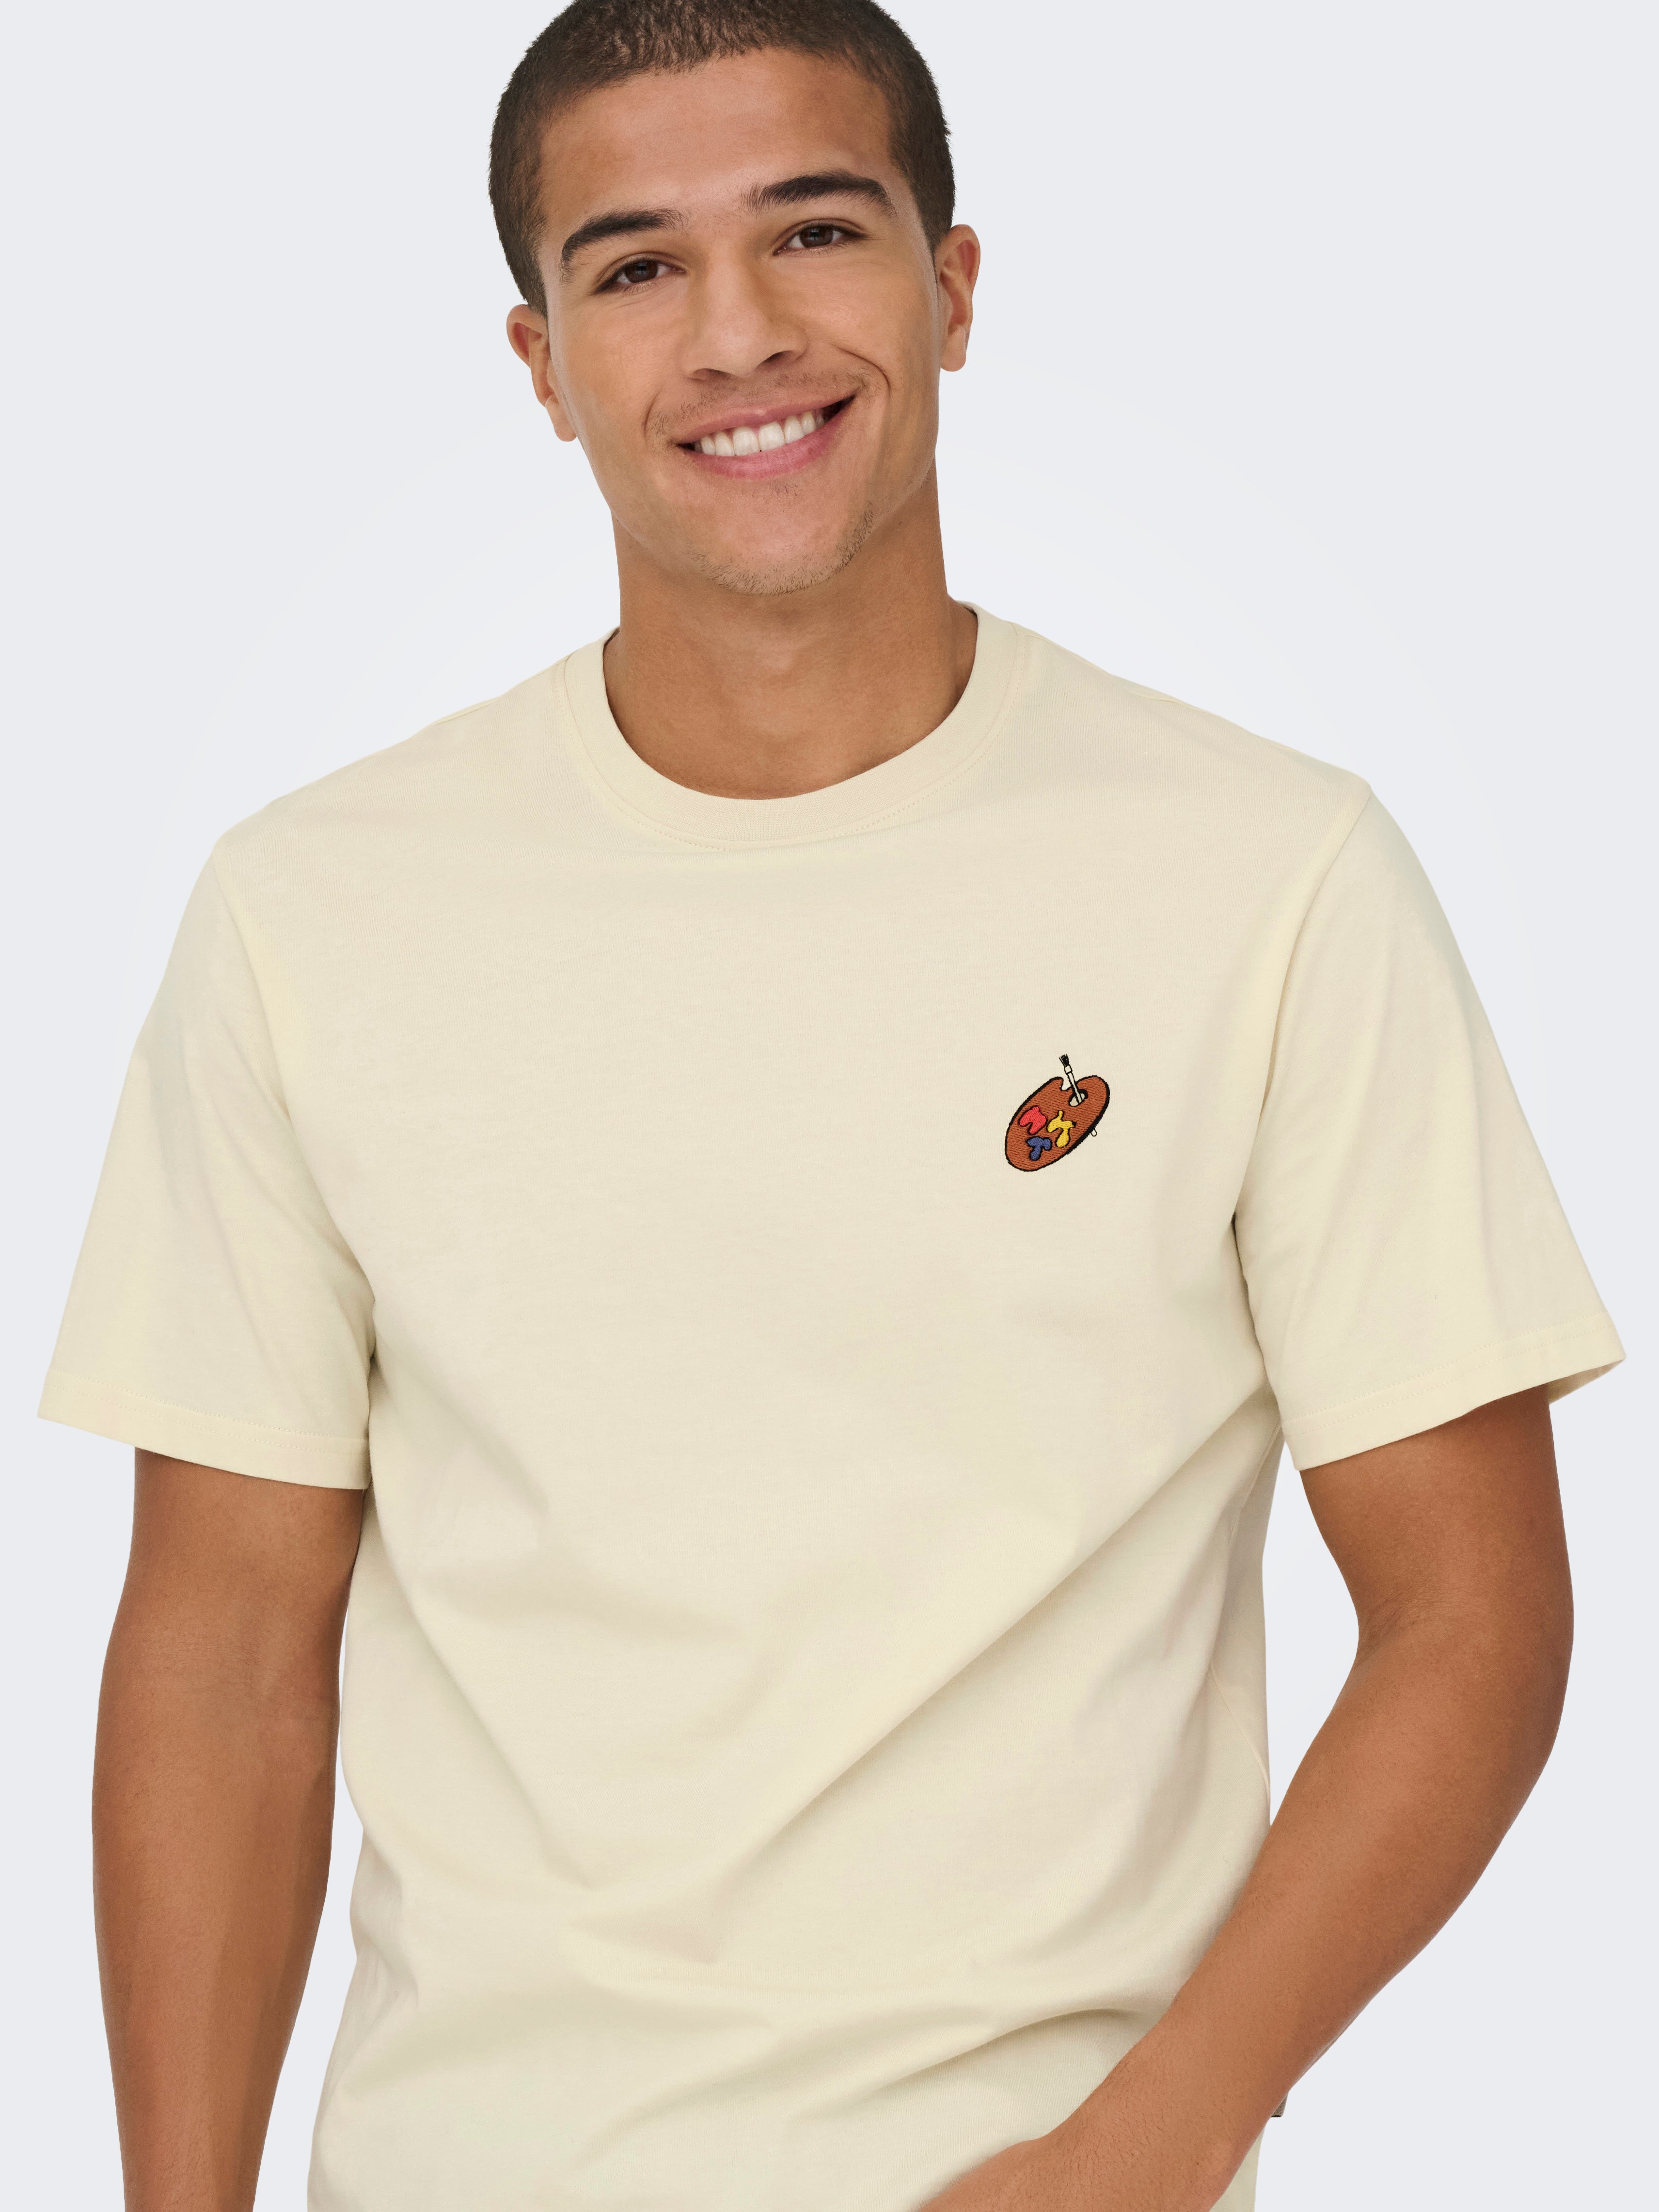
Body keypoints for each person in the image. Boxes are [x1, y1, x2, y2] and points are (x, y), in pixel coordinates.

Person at [40, 3, 1623, 2209]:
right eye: (637, 266)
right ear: (541, 363)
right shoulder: (313, 911)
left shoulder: (1266, 875)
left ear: (951, 287)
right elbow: (222, 1647)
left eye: (814, 230)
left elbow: (1472, 1612)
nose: (739, 334)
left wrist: (1146, 2147)